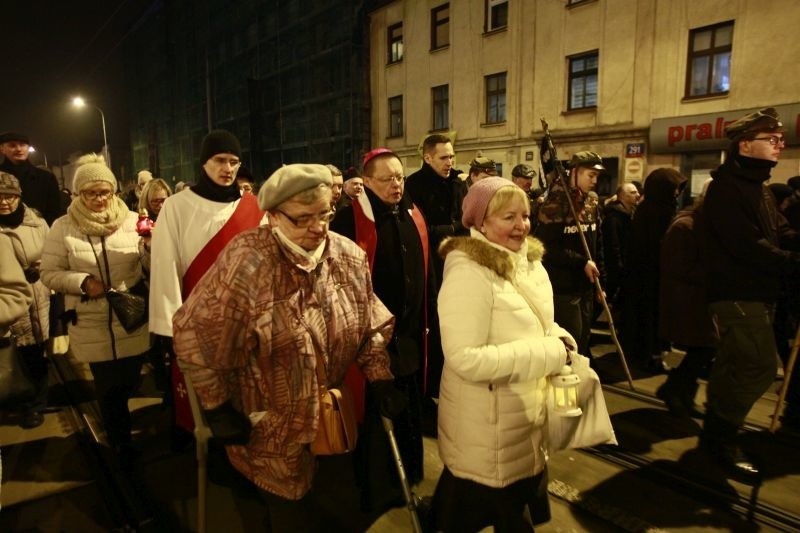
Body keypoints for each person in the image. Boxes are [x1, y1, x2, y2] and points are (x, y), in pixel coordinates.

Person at [172, 163, 403, 531]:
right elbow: (197, 334)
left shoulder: (345, 255)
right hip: (269, 423)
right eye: (301, 219)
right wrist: (216, 407)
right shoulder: (247, 260)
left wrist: (380, 376)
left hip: (330, 419)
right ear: (273, 216)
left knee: (332, 502)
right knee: (287, 512)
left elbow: (368, 318)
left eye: (325, 214)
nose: (318, 228)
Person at [431, 177, 576, 532]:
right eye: (507, 217)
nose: (521, 225)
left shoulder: (530, 262)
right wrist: (550, 353)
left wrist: (561, 339)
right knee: (492, 510)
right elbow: (465, 357)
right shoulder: (469, 272)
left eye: (525, 215)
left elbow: (540, 324)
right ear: (480, 222)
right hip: (487, 427)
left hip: (523, 418)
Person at [699, 107, 800, 479]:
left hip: (758, 291)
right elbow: (747, 245)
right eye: (770, 140)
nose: (779, 145)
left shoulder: (758, 187)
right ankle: (724, 434)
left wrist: (794, 244)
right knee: (759, 368)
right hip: (737, 292)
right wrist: (792, 261)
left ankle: (715, 428)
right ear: (745, 145)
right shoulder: (727, 189)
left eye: (779, 140)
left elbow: (778, 231)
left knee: (733, 362)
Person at [330, 148, 432, 512]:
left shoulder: (412, 215)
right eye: (387, 178)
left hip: (408, 336)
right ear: (366, 182)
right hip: (370, 342)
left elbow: (424, 273)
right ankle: (380, 491)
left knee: (408, 411)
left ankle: (411, 477)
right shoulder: (348, 220)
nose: (396, 184)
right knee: (376, 419)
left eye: (400, 177)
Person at [148, 129, 264, 438]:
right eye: (220, 160)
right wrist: (169, 328)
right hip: (196, 321)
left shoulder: (254, 206)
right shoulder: (177, 206)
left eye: (235, 162)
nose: (228, 169)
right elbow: (165, 266)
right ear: (204, 163)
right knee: (204, 403)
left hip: (245, 321)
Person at [40, 154, 150, 464]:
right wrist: (82, 281)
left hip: (131, 314)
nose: (99, 199)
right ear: (78, 194)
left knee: (130, 380)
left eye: (105, 192)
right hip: (91, 319)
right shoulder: (63, 227)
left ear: (114, 191)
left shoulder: (133, 221)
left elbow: (150, 267)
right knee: (108, 387)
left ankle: (121, 430)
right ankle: (120, 443)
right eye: (91, 192)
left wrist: (152, 247)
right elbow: (49, 272)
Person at [533, 151, 604, 356]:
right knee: (570, 342)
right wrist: (580, 262)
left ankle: (583, 379)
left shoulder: (592, 201)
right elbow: (544, 247)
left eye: (596, 176)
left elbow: (597, 242)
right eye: (590, 175)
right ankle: (567, 384)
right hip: (564, 287)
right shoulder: (556, 203)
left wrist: (601, 282)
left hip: (587, 284)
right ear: (575, 173)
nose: (594, 181)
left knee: (583, 338)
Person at [656, 178, 717, 417]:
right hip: (687, 300)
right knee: (705, 348)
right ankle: (674, 390)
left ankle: (679, 391)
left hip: (700, 299)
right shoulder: (685, 225)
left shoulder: (704, 223)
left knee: (705, 349)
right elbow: (675, 266)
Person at [621, 168, 687, 373]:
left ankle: (652, 352)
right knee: (648, 317)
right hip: (648, 276)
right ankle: (648, 355)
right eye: (674, 188)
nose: (677, 193)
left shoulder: (659, 208)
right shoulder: (654, 211)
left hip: (656, 275)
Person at [0, 172, 50, 428]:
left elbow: (52, 252)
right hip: (7, 301)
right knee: (13, 353)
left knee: (37, 353)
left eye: (9, 195)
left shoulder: (37, 222)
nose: (4, 202)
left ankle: (36, 403)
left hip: (39, 294)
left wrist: (40, 268)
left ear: (18, 196)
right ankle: (19, 399)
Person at [0, 132, 64, 226]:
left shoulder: (46, 178)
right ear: (2, 149)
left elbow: (54, 212)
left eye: (23, 145)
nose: (18, 149)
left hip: (39, 235)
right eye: (12, 145)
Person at [601, 182, 639, 308]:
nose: (637, 195)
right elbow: (613, 245)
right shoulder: (614, 218)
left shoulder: (631, 214)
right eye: (633, 193)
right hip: (616, 268)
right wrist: (619, 268)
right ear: (623, 196)